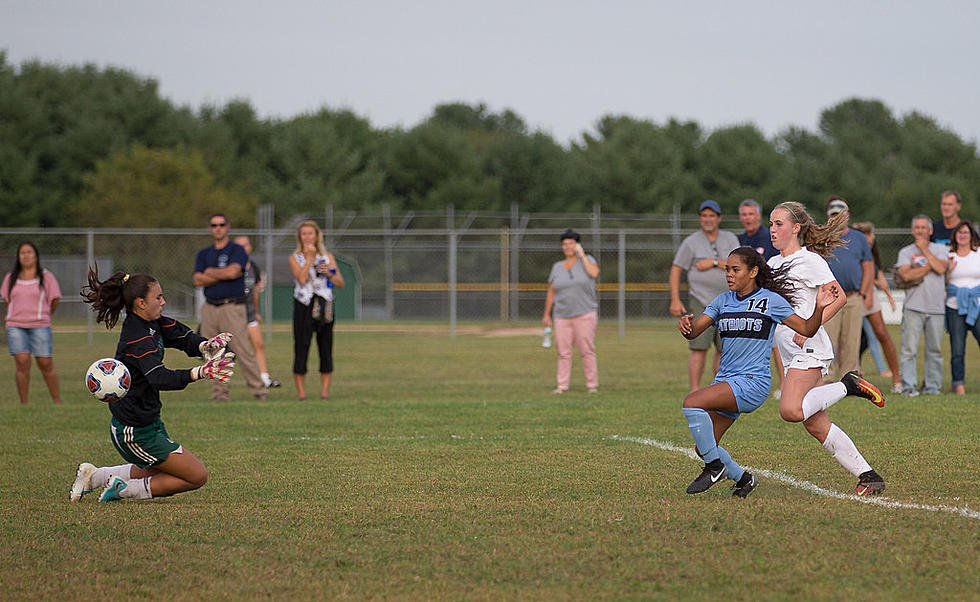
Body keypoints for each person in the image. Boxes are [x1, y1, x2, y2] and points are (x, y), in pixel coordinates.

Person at [678, 246, 839, 497]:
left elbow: (807, 329)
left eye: (735, 270)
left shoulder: (770, 301)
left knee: (691, 402)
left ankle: (714, 467)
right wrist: (686, 325)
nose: (729, 275)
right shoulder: (722, 301)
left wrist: (819, 308)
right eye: (727, 270)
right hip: (727, 381)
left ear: (753, 271)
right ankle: (744, 479)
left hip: (752, 382)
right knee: (705, 445)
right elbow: (695, 331)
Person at [71, 268, 236, 502]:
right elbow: (159, 377)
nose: (163, 301)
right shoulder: (136, 337)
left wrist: (205, 345)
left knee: (164, 470)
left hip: (148, 420)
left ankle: (96, 476)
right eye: (158, 297)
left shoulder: (152, 322)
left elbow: (181, 336)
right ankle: (123, 489)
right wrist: (199, 372)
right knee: (197, 475)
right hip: (134, 431)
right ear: (140, 303)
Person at [768, 201, 887, 496]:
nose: (772, 229)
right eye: (770, 224)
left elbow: (838, 298)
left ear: (796, 228)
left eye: (779, 224)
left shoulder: (810, 261)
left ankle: (849, 384)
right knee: (815, 424)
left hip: (809, 349)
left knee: (790, 409)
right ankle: (869, 476)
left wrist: (810, 325)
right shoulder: (772, 264)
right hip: (788, 351)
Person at [193, 213, 266, 401]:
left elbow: (234, 272)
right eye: (214, 224)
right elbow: (197, 279)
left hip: (232, 307)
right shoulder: (204, 253)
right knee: (214, 353)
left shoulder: (237, 250)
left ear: (228, 227)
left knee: (242, 350)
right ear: (210, 228)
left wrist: (210, 273)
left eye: (221, 224)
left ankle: (259, 391)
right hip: (210, 308)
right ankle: (220, 395)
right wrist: (221, 274)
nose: (218, 227)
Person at [669, 200, 741, 392]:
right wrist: (675, 299)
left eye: (712, 216)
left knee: (724, 349)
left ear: (719, 218)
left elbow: (739, 264)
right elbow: (676, 269)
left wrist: (714, 262)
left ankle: (719, 388)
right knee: (698, 347)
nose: (707, 219)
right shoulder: (691, 242)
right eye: (704, 216)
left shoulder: (730, 239)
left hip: (728, 301)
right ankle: (694, 391)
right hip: (700, 301)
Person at [289, 220, 344, 400]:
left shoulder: (328, 257)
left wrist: (329, 273)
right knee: (301, 345)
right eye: (303, 233)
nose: (307, 237)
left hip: (324, 304)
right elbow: (302, 279)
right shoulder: (295, 257)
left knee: (326, 346)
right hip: (304, 305)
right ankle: (302, 393)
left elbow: (340, 283)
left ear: (317, 235)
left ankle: (324, 392)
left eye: (310, 233)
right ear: (300, 237)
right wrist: (310, 260)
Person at [1, 241, 62, 404]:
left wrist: (44, 314)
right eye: (22, 252)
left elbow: (55, 299)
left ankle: (56, 400)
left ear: (35, 255)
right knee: (22, 363)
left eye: (29, 252)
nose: (26, 255)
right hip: (15, 326)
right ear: (18, 256)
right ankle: (24, 403)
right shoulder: (10, 278)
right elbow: (7, 300)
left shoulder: (46, 277)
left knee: (45, 362)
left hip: (40, 326)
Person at [820, 197, 874, 380]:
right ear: (829, 217)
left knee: (852, 340)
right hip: (830, 297)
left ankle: (850, 379)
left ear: (848, 216)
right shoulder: (822, 238)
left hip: (852, 296)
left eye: (840, 215)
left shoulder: (859, 238)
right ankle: (826, 378)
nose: (837, 219)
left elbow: (868, 266)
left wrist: (864, 293)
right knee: (827, 339)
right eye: (833, 215)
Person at [895, 215, 948, 396]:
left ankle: (933, 387)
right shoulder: (905, 252)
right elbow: (906, 276)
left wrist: (925, 251)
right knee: (909, 350)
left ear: (930, 230)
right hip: (913, 307)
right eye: (916, 227)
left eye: (923, 227)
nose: (920, 230)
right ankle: (909, 387)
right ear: (912, 230)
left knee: (935, 350)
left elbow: (941, 268)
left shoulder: (941, 249)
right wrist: (929, 267)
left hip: (936, 308)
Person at [542, 229, 600, 393]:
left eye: (571, 243)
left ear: (577, 245)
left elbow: (594, 273)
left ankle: (592, 385)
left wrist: (582, 256)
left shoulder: (587, 261)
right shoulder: (557, 267)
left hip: (585, 313)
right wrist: (547, 314)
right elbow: (551, 291)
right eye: (565, 244)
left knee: (586, 350)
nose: (567, 247)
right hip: (562, 315)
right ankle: (562, 386)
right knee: (563, 352)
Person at [850, 222, 902, 393]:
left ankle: (897, 377)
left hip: (868, 295)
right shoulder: (853, 248)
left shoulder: (872, 254)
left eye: (870, 236)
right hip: (853, 295)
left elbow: (877, 275)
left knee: (881, 333)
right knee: (846, 340)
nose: (869, 240)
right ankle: (847, 381)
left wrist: (886, 297)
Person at [234, 236, 281, 389]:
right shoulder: (230, 265)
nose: (242, 248)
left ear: (250, 247)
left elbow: (255, 292)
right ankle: (220, 380)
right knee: (231, 349)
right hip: (233, 312)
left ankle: (264, 378)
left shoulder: (253, 267)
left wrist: (257, 311)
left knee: (258, 344)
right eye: (238, 245)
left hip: (249, 311)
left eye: (245, 245)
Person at [944, 220, 980, 395]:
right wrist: (948, 270)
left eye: (966, 232)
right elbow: (942, 282)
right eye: (959, 232)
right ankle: (958, 384)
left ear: (971, 235)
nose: (963, 235)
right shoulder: (949, 255)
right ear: (955, 236)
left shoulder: (978, 253)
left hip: (976, 304)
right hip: (954, 306)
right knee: (957, 347)